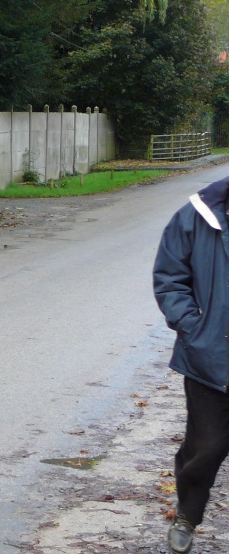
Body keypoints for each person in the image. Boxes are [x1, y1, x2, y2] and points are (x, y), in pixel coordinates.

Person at [153, 176, 229, 554]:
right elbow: (169, 277)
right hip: (212, 357)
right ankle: (187, 514)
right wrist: (193, 328)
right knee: (207, 446)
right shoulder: (196, 216)